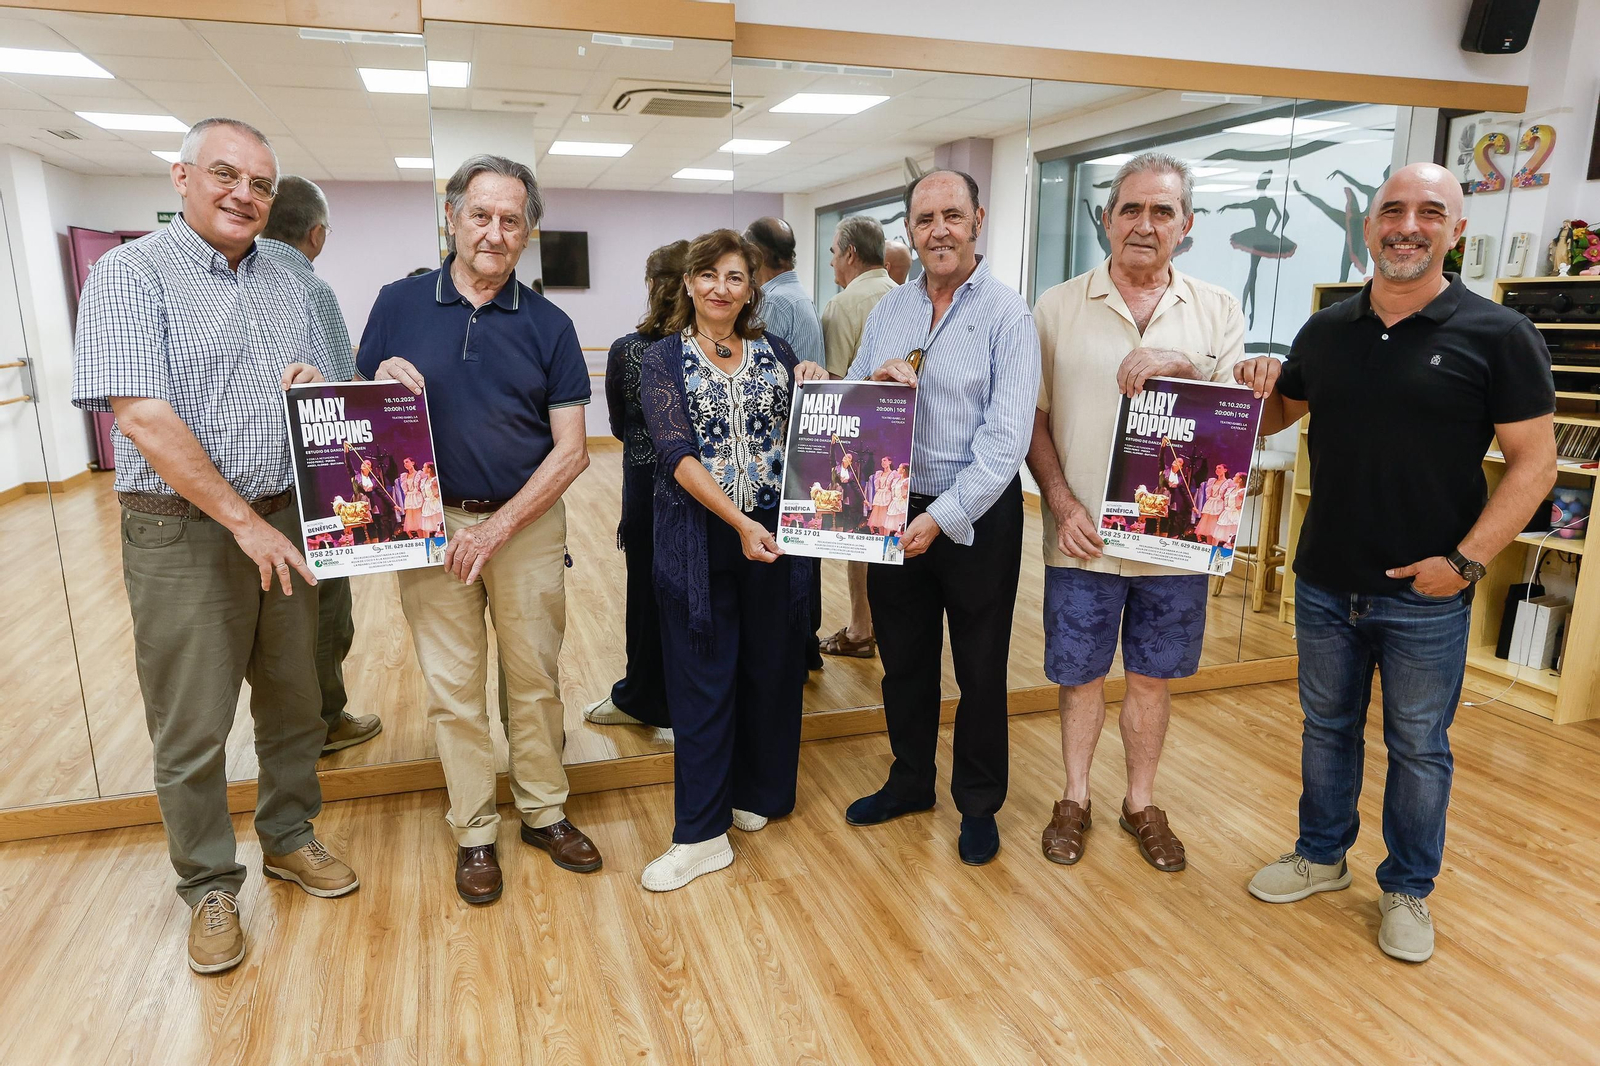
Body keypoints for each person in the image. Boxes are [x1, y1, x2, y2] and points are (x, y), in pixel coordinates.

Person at [1245, 162, 1556, 963]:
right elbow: (1276, 417)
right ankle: (1320, 857)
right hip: (1323, 582)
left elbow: (1535, 465)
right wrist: (1253, 383)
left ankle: (1409, 889)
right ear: (1369, 227)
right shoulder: (1327, 330)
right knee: (1327, 729)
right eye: (1392, 210)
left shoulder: (1499, 334)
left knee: (1419, 746)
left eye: (1429, 212)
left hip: (1429, 590)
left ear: (1456, 230)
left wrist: (1466, 561)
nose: (1407, 225)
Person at [70, 116, 359, 976]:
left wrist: (326, 387)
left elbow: (340, 386)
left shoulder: (296, 279)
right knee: (192, 726)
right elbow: (141, 416)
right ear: (182, 177)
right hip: (184, 532)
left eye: (261, 184)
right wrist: (244, 521)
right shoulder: (128, 276)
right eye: (225, 174)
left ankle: (290, 835)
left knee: (293, 700)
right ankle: (207, 885)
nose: (244, 194)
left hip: (285, 517)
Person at [358, 154, 601, 905]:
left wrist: (496, 529)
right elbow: (363, 422)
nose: (495, 232)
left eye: (511, 220)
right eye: (481, 215)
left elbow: (573, 450)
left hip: (523, 523)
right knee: (452, 689)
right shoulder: (396, 305)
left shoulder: (550, 325)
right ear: (452, 217)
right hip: (430, 526)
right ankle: (473, 831)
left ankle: (544, 812)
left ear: (527, 233)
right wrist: (371, 383)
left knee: (533, 680)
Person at [1025, 152, 1247, 875]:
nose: (1144, 225)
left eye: (1161, 212)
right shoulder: (1058, 306)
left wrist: (1190, 370)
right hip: (1083, 536)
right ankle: (1076, 797)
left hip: (1175, 543)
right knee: (1079, 674)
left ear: (1187, 225)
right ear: (1106, 220)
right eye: (1130, 209)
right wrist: (1059, 502)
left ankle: (1141, 803)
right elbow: (1035, 420)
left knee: (1153, 678)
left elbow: (1237, 419)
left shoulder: (1216, 309)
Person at [841, 170, 1040, 866]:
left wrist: (944, 516)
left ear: (978, 220)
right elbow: (858, 405)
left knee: (980, 667)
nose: (939, 231)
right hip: (894, 503)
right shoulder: (888, 312)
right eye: (925, 220)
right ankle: (911, 781)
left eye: (952, 215)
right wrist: (869, 381)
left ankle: (979, 804)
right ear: (909, 231)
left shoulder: (1008, 314)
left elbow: (1007, 437)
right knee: (904, 659)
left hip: (978, 512)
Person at [637, 228, 828, 891]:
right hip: (704, 537)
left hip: (776, 535)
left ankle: (761, 792)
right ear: (689, 282)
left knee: (771, 667)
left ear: (753, 289)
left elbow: (817, 436)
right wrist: (739, 521)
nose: (722, 287)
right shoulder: (663, 359)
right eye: (710, 274)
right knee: (702, 679)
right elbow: (675, 452)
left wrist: (816, 380)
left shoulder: (776, 350)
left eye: (736, 277)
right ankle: (700, 832)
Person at [256, 173, 382, 756]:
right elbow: (340, 391)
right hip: (306, 490)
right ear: (317, 234)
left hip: (225, 495)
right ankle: (325, 721)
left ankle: (290, 729)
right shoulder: (309, 289)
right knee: (323, 612)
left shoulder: (229, 281)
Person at [584, 239, 689, 731]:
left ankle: (644, 698)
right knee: (697, 596)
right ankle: (688, 705)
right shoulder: (710, 350)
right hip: (706, 490)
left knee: (647, 597)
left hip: (646, 489)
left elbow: (620, 426)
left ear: (652, 286)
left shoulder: (629, 351)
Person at [745, 216, 828, 669]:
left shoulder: (775, 304)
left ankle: (796, 647)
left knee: (791, 553)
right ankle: (804, 644)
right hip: (806, 439)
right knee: (802, 551)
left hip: (788, 445)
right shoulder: (800, 295)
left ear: (755, 256)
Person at [818, 216, 899, 658]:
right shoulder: (905, 296)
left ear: (850, 253)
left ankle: (861, 628)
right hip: (906, 442)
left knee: (861, 537)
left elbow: (835, 387)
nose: (832, 261)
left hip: (861, 442)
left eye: (833, 252)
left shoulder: (842, 306)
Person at [1194, 463, 1230, 543]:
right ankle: (1209, 546)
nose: (1217, 470)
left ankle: (1214, 547)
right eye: (1216, 468)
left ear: (1225, 470)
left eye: (1219, 468)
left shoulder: (1228, 482)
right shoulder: (1212, 481)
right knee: (1208, 528)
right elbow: (1209, 494)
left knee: (1216, 528)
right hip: (1210, 505)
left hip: (1219, 506)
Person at [399, 457, 424, 537]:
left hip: (418, 498)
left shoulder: (419, 474)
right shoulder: (404, 476)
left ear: (412, 463)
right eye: (404, 463)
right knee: (415, 522)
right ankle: (420, 538)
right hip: (410, 500)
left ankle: (425, 538)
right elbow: (405, 490)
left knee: (421, 520)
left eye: (407, 462)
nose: (405, 464)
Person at [419, 461, 444, 536]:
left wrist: (436, 497)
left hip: (435, 502)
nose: (422, 468)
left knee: (439, 523)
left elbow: (438, 492)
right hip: (427, 504)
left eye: (424, 467)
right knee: (426, 525)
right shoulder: (424, 481)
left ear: (429, 469)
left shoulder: (435, 479)